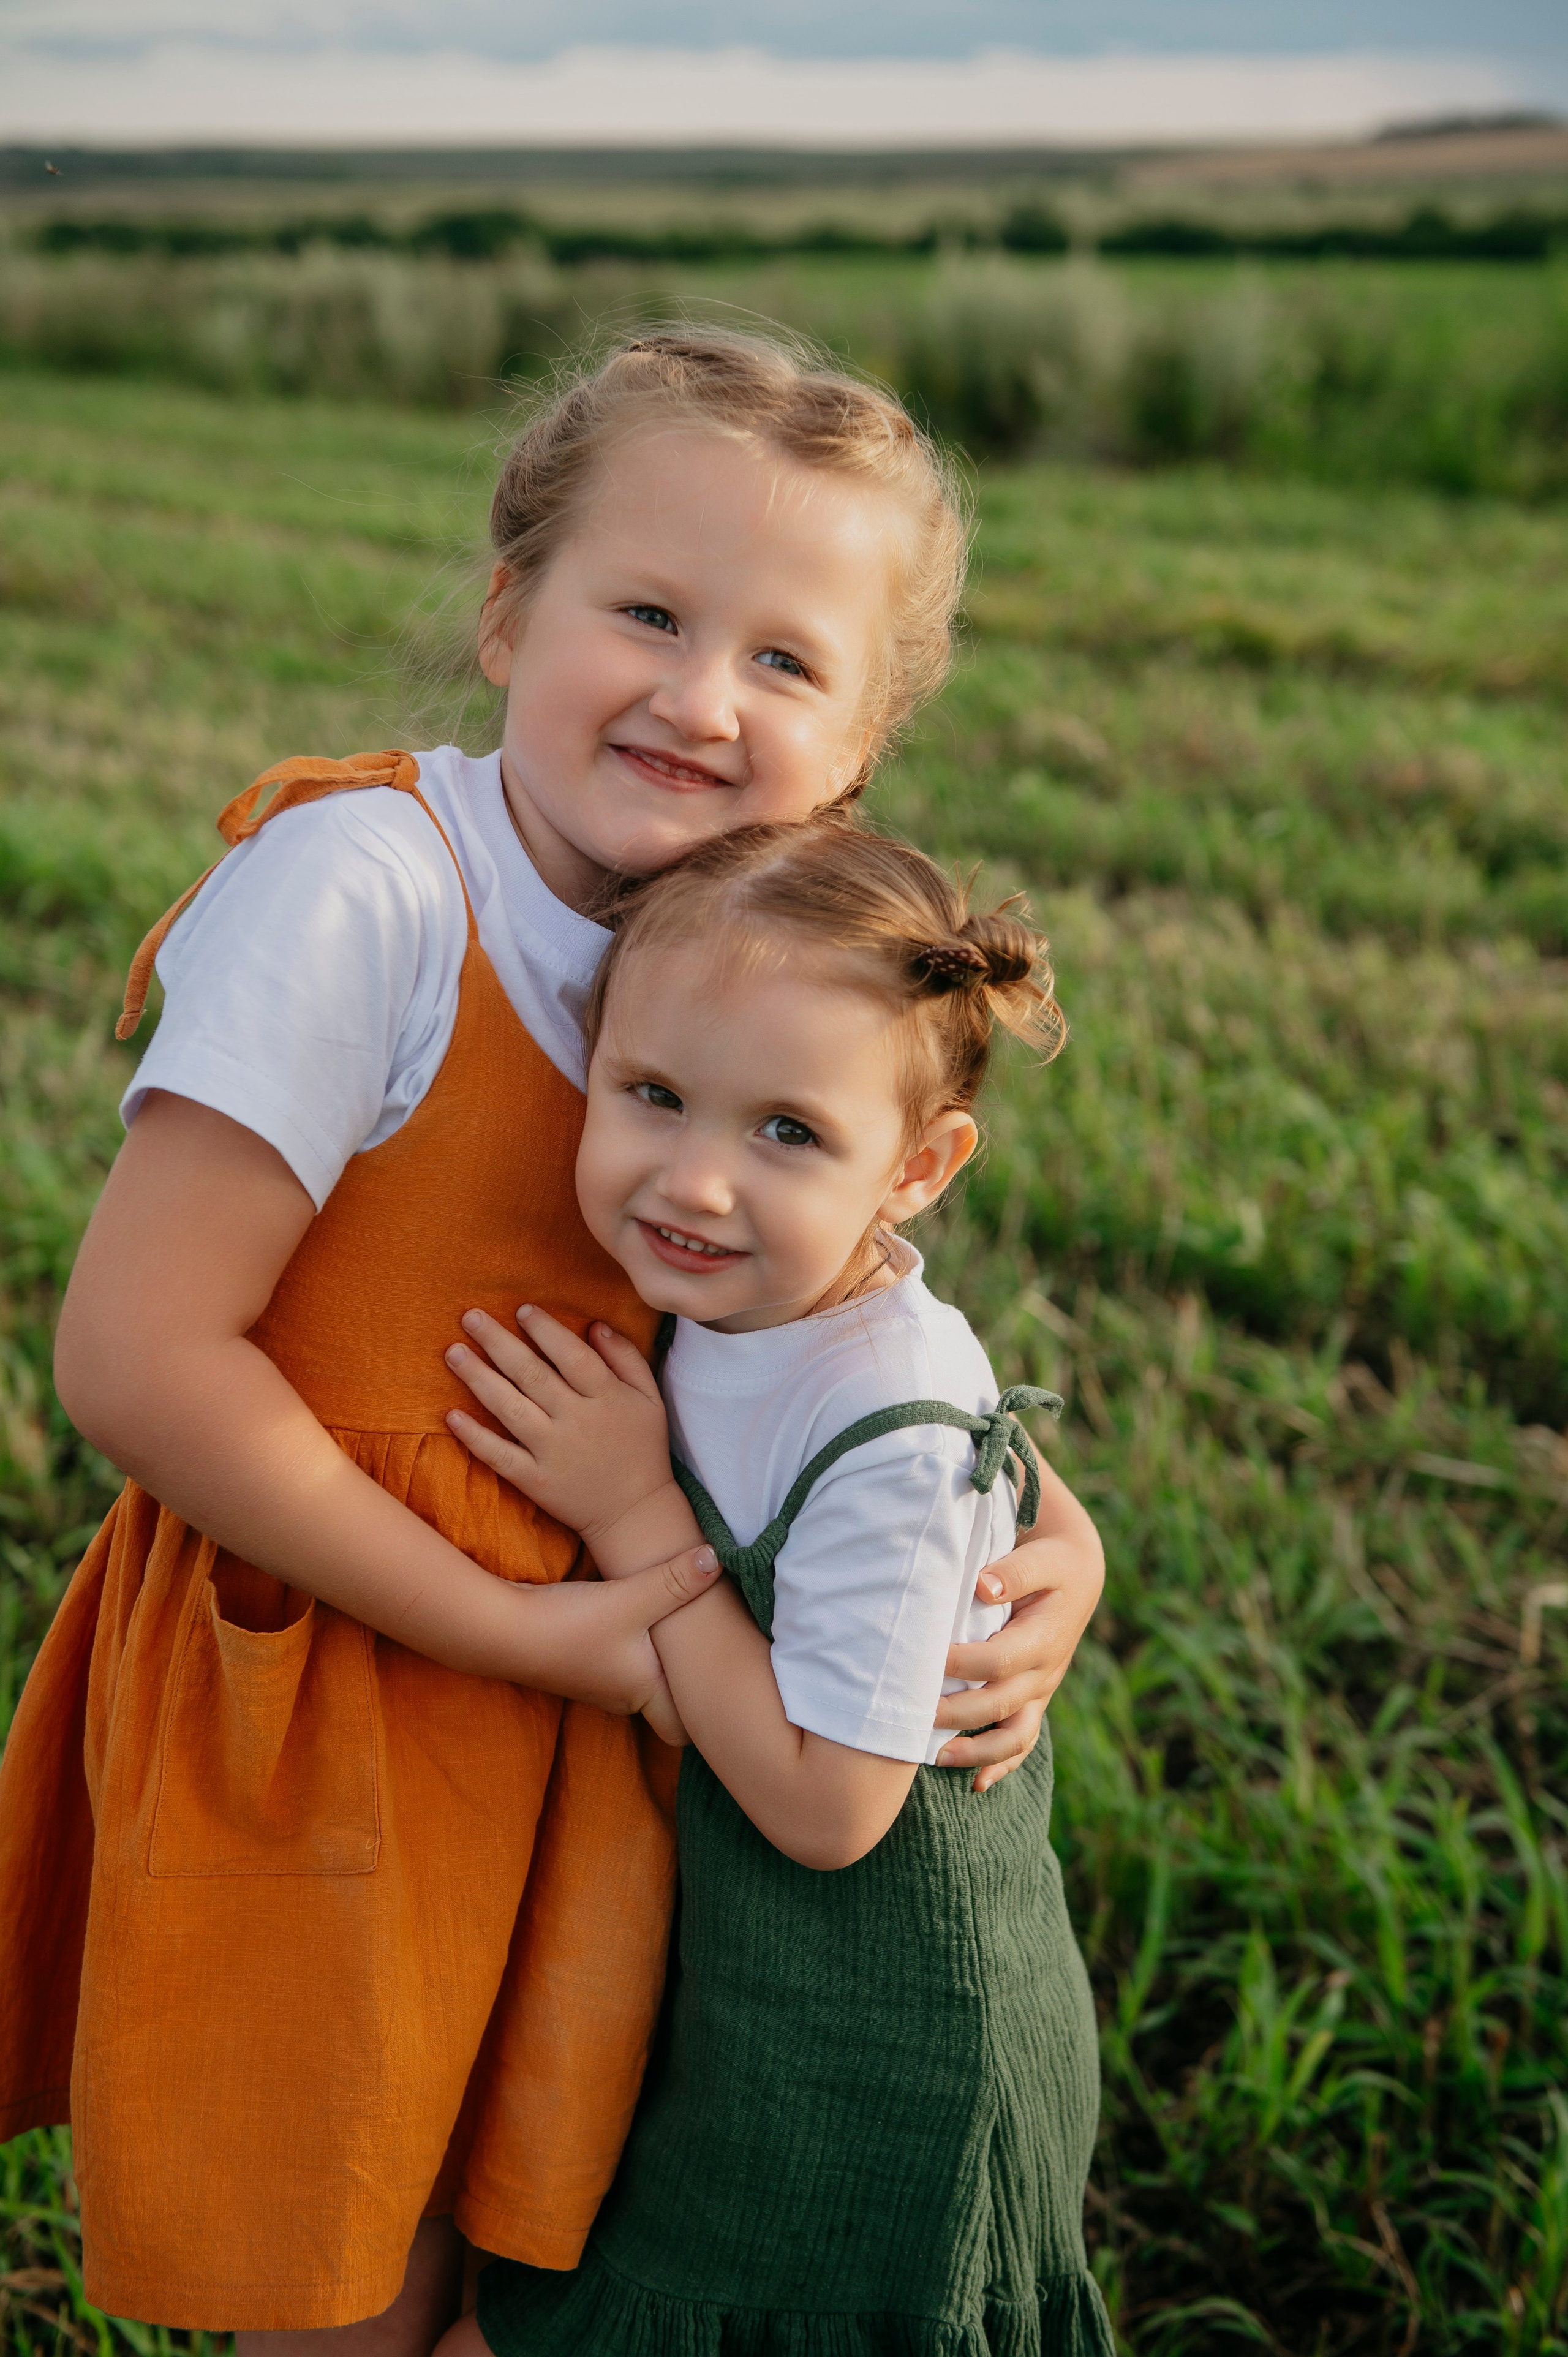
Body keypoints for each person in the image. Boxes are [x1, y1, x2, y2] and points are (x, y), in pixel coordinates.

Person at [0, 330, 1104, 2352]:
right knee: (350, 2271)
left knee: (537, 2261)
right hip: (352, 1684)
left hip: (601, 1714)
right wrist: (535, 1629)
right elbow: (142, 1358)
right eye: (651, 613)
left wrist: (1057, 1534)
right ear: (511, 613)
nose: (702, 697)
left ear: (857, 738)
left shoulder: (762, 948)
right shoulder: (363, 892)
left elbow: (837, 1298)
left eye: (785, 659)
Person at [437, 816, 1112, 2357]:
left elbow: (828, 1807)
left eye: (786, 1133)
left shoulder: (884, 1415)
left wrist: (632, 1516)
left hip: (882, 2055)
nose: (695, 1180)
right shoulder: (766, 1293)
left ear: (919, 1171)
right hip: (751, 2004)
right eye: (653, 1095)